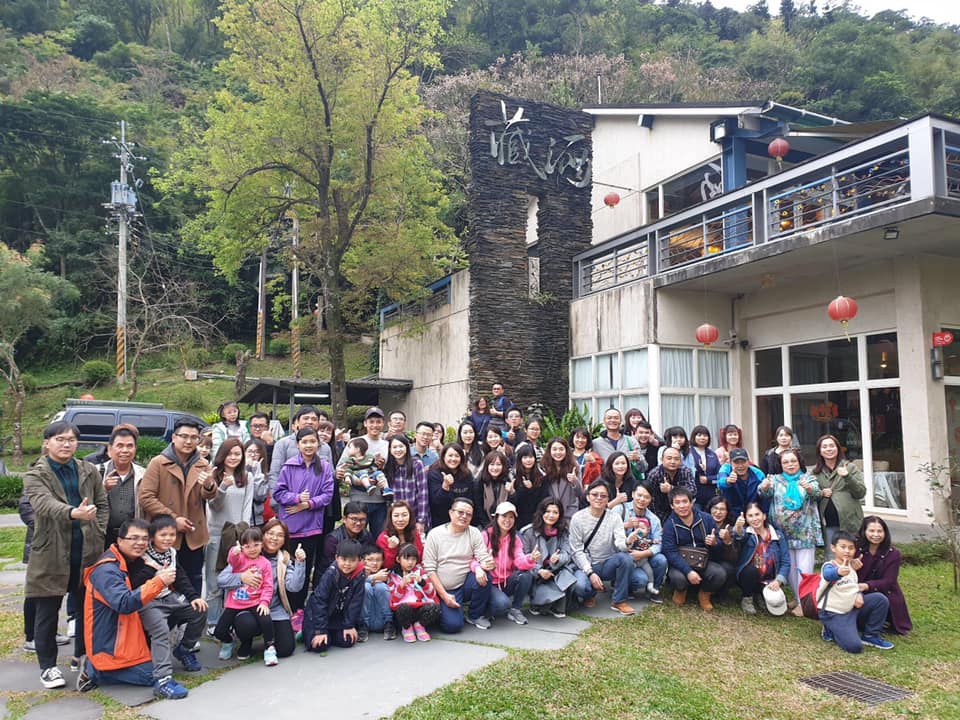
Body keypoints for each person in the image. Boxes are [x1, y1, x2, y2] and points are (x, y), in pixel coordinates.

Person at [24, 420, 108, 690]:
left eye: (71, 439)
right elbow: (43, 504)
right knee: (47, 611)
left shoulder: (88, 470)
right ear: (47, 443)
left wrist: (98, 530)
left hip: (86, 550)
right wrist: (73, 512)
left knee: (86, 608)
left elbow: (102, 502)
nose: (66, 444)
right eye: (60, 439)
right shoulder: (35, 474)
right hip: (51, 551)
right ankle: (47, 666)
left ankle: (81, 656)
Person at [78, 518, 174, 696]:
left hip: (127, 634)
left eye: (144, 539)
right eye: (134, 538)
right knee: (152, 675)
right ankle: (94, 670)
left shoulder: (131, 560)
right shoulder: (107, 570)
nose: (140, 543)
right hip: (110, 644)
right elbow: (124, 603)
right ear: (120, 540)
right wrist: (159, 581)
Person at [129, 514, 207, 698]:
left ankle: (184, 650)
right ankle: (162, 679)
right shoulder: (142, 554)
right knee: (161, 630)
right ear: (153, 536)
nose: (168, 538)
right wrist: (151, 569)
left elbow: (180, 576)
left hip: (168, 597)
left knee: (199, 611)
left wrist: (194, 597)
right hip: (148, 601)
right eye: (163, 535)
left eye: (172, 534)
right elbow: (133, 584)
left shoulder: (172, 552)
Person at [139, 418, 217, 595]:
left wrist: (209, 485)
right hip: (164, 534)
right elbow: (146, 497)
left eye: (194, 437)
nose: (189, 441)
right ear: (174, 437)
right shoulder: (158, 463)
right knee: (164, 584)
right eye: (184, 436)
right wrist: (173, 520)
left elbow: (208, 496)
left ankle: (193, 612)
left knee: (193, 581)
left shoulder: (203, 464)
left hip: (193, 533)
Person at [217, 518, 305, 660]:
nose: (274, 538)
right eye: (270, 533)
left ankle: (269, 643)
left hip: (273, 608)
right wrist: (241, 577)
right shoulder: (247, 554)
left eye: (280, 535)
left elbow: (294, 587)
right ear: (262, 535)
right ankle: (245, 641)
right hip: (247, 606)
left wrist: (300, 563)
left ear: (284, 540)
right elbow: (221, 579)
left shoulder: (284, 559)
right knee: (245, 624)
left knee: (285, 649)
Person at [273, 427, 335, 609]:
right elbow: (278, 493)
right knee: (286, 569)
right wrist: (297, 498)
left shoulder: (324, 467)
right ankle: (283, 607)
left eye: (312, 441)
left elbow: (328, 495)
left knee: (305, 570)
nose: (309, 445)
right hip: (290, 527)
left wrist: (308, 504)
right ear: (297, 444)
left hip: (311, 527)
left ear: (318, 444)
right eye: (304, 442)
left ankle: (299, 609)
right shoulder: (289, 466)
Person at [759, 448, 821, 610]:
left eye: (793, 461)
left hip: (805, 532)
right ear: (780, 464)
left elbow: (817, 494)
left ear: (799, 462)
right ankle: (798, 597)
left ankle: (805, 603)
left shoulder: (808, 478)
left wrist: (809, 488)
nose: (790, 464)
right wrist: (764, 487)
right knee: (791, 568)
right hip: (783, 533)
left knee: (804, 569)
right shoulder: (774, 479)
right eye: (785, 462)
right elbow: (763, 493)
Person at [422, 498, 495, 633]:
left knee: (486, 576)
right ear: (451, 513)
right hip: (442, 588)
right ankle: (441, 608)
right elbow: (429, 569)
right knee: (453, 626)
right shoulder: (435, 534)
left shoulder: (474, 532)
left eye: (468, 514)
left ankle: (474, 615)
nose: (464, 516)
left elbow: (483, 556)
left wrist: (487, 564)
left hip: (464, 584)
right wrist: (444, 595)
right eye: (460, 512)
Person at [204, 437, 254, 629]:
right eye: (229, 454)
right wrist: (223, 486)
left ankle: (230, 621)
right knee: (214, 581)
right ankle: (213, 622)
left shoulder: (247, 477)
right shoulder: (213, 474)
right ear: (222, 455)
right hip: (216, 534)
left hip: (237, 535)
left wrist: (244, 534)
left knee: (235, 578)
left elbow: (247, 507)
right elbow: (213, 506)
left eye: (237, 454)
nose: (233, 457)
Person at [569, 479, 638, 616]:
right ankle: (590, 594)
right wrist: (590, 573)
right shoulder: (577, 518)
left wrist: (627, 542)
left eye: (603, 495)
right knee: (581, 587)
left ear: (608, 499)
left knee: (626, 559)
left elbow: (620, 543)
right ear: (588, 497)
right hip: (586, 564)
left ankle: (619, 601)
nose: (599, 498)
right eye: (595, 495)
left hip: (607, 563)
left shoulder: (614, 517)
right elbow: (576, 550)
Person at [817, 531, 894, 653]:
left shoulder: (852, 568)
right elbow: (828, 575)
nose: (847, 551)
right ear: (833, 548)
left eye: (851, 548)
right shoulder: (829, 566)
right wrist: (838, 572)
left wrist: (859, 594)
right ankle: (830, 629)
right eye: (843, 547)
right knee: (855, 647)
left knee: (880, 599)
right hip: (834, 613)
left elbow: (853, 586)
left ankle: (870, 636)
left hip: (851, 608)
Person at [213, 527, 279, 665]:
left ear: (262, 544)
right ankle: (228, 641)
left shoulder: (265, 563)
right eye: (247, 546)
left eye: (256, 545)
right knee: (219, 631)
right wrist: (234, 552)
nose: (252, 549)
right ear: (242, 547)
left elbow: (268, 586)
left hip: (255, 601)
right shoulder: (240, 559)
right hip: (235, 602)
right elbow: (232, 561)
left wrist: (264, 602)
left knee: (266, 620)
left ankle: (269, 648)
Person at [662, 486, 727, 611]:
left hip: (703, 561)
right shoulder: (669, 525)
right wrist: (688, 571)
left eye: (685, 501)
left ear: (691, 502)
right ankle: (681, 591)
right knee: (678, 579)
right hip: (681, 562)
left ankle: (704, 594)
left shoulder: (706, 518)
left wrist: (714, 543)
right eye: (677, 503)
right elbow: (670, 552)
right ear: (672, 506)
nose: (682, 506)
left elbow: (719, 544)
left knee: (719, 574)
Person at [303, 539, 367, 653]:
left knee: (348, 641)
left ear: (359, 560)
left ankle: (331, 634)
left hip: (338, 618)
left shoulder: (360, 575)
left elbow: (356, 602)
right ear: (337, 558)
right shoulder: (330, 574)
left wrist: (349, 625)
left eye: (352, 560)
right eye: (344, 559)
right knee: (320, 646)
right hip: (319, 617)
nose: (347, 564)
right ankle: (308, 632)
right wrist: (320, 631)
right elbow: (319, 601)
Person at [482, 501, 539, 625]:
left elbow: (519, 560)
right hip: (489, 583)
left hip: (506, 582)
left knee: (526, 575)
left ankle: (515, 609)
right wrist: (483, 565)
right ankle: (486, 610)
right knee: (502, 604)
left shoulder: (515, 538)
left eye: (511, 517)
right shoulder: (486, 535)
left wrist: (530, 558)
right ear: (496, 517)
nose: (507, 520)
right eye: (504, 516)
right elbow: (475, 558)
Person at [520, 497, 576, 617]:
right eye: (547, 511)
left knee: (561, 606)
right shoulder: (528, 532)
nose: (551, 515)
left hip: (555, 571)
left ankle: (557, 603)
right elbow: (522, 559)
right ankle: (538, 601)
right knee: (542, 606)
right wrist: (538, 570)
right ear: (541, 512)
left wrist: (558, 558)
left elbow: (567, 554)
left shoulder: (563, 531)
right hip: (537, 574)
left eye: (555, 512)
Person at [856, 516, 912, 634]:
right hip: (856, 590)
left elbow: (889, 581)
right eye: (871, 531)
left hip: (883, 591)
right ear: (864, 531)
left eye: (880, 531)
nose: (876, 535)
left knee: (883, 600)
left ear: (885, 532)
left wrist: (867, 586)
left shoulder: (893, 554)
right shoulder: (855, 549)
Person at [812, 434, 865, 557]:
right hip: (828, 523)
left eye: (832, 446)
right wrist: (821, 493)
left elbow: (860, 492)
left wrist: (847, 477)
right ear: (820, 451)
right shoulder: (815, 472)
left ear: (838, 448)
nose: (829, 449)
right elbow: (811, 496)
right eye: (824, 447)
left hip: (849, 522)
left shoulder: (850, 468)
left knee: (852, 556)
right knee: (832, 558)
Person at [733, 502, 791, 616]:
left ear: (764, 516)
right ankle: (747, 597)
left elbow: (786, 561)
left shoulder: (777, 535)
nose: (754, 519)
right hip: (749, 577)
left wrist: (778, 580)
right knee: (750, 571)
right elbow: (738, 536)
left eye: (757, 514)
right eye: (750, 516)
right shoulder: (747, 534)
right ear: (746, 518)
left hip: (770, 580)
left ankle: (760, 594)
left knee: (772, 601)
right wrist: (738, 527)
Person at [95, 425, 145, 549]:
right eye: (120, 446)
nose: (125, 450)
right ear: (110, 449)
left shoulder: (143, 474)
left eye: (130, 446)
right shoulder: (96, 472)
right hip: (102, 535)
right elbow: (87, 501)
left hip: (132, 537)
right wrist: (103, 488)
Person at [622, 483, 668, 602]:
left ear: (651, 499)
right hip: (623, 555)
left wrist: (643, 554)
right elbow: (608, 530)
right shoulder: (621, 510)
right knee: (640, 580)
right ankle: (624, 585)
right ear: (633, 494)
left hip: (643, 556)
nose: (642, 499)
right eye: (639, 495)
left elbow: (658, 543)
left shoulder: (653, 519)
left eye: (646, 497)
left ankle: (653, 590)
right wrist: (626, 525)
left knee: (661, 560)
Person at [388, 543, 440, 642]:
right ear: (398, 559)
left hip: (420, 605)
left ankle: (420, 625)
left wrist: (422, 583)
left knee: (435, 608)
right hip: (405, 607)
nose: (410, 562)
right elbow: (394, 599)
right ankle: (407, 628)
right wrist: (402, 585)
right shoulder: (393, 576)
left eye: (413, 559)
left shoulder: (421, 572)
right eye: (406, 559)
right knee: (403, 609)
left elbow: (432, 594)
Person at [269, 406, 330, 485]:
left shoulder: (325, 447)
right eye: (306, 418)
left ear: (318, 423)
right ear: (297, 422)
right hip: (290, 491)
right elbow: (275, 474)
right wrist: (276, 492)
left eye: (314, 419)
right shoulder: (283, 444)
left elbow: (329, 476)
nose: (310, 422)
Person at [382, 433, 430, 533]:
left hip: (414, 515)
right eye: (394, 447)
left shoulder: (417, 464)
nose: (398, 450)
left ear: (407, 448)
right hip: (396, 518)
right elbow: (387, 496)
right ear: (390, 450)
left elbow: (423, 493)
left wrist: (421, 520)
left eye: (401, 446)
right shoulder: (388, 467)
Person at [427, 443, 476, 527]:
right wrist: (445, 486)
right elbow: (436, 502)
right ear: (443, 456)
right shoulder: (435, 473)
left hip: (463, 520)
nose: (453, 459)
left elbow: (471, 498)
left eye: (457, 456)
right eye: (450, 455)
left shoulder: (467, 474)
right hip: (441, 521)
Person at [646, 446, 696, 521]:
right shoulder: (654, 474)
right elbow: (650, 500)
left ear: (680, 461)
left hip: (683, 508)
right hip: (661, 511)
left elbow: (693, 491)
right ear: (662, 459)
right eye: (669, 458)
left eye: (676, 459)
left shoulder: (685, 471)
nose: (673, 462)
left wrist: (671, 489)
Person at [704, 495, 739, 603]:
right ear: (710, 509)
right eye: (715, 508)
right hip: (703, 560)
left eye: (722, 509)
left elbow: (734, 557)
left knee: (729, 569)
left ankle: (720, 593)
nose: (718, 512)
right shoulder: (702, 523)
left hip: (720, 562)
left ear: (727, 512)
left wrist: (727, 541)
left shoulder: (731, 529)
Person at [540, 438, 584, 523]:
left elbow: (580, 494)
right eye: (554, 449)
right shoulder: (543, 466)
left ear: (566, 450)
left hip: (569, 512)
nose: (558, 452)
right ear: (549, 451)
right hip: (550, 513)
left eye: (561, 449)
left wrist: (575, 481)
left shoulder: (574, 466)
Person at [376, 500, 424, 575]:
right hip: (392, 576)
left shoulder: (415, 534)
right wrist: (391, 549)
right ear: (390, 518)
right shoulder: (383, 537)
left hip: (414, 574)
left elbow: (420, 558)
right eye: (396, 515)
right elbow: (386, 566)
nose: (400, 519)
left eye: (404, 515)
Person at [322, 501, 374, 570]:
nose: (358, 523)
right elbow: (331, 566)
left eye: (362, 519)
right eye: (354, 519)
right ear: (344, 519)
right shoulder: (333, 539)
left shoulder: (367, 535)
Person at [716, 447, 766, 518]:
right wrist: (728, 481)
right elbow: (720, 483)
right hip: (730, 514)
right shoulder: (726, 469)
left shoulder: (758, 473)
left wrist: (766, 488)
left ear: (748, 462)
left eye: (743, 462)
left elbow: (764, 495)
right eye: (736, 462)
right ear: (730, 463)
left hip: (752, 515)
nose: (740, 466)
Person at [361, 546, 396, 641]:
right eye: (370, 560)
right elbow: (354, 584)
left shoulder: (387, 574)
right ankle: (362, 625)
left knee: (380, 586)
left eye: (378, 560)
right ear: (363, 561)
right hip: (364, 622)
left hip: (382, 621)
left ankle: (389, 623)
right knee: (365, 587)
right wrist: (372, 578)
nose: (374, 563)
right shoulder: (358, 573)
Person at [593, 408, 644, 473]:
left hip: (627, 478)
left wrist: (638, 459)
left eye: (616, 418)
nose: (612, 420)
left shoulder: (631, 441)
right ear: (604, 421)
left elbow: (643, 468)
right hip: (605, 479)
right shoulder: (595, 444)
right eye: (609, 418)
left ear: (621, 421)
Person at [510, 444, 547, 528]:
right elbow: (514, 503)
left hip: (536, 520)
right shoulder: (513, 476)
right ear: (520, 459)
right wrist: (512, 493)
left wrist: (531, 489)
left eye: (531, 457)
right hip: (518, 520)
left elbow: (542, 501)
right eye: (525, 457)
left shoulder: (541, 477)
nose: (528, 460)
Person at [475, 450, 513, 528]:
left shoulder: (508, 481)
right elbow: (478, 507)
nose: (495, 468)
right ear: (487, 466)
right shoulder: (480, 482)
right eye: (492, 464)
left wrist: (512, 493)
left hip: (505, 523)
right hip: (483, 522)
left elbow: (512, 507)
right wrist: (487, 526)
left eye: (498, 464)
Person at [686, 425, 720, 510]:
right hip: (695, 497)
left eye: (705, 435)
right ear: (694, 437)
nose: (702, 438)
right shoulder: (688, 452)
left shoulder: (712, 454)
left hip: (711, 496)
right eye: (699, 435)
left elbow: (720, 476)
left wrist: (708, 479)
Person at [599, 451, 634, 520]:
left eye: (623, 463)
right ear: (610, 465)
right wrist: (616, 501)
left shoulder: (631, 480)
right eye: (617, 464)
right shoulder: (602, 482)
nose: (620, 466)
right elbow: (597, 508)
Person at [244, 438, 271, 525]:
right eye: (249, 451)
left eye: (256, 452)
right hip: (241, 519)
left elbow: (259, 497)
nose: (252, 455)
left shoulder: (264, 475)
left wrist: (257, 471)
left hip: (257, 520)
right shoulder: (237, 472)